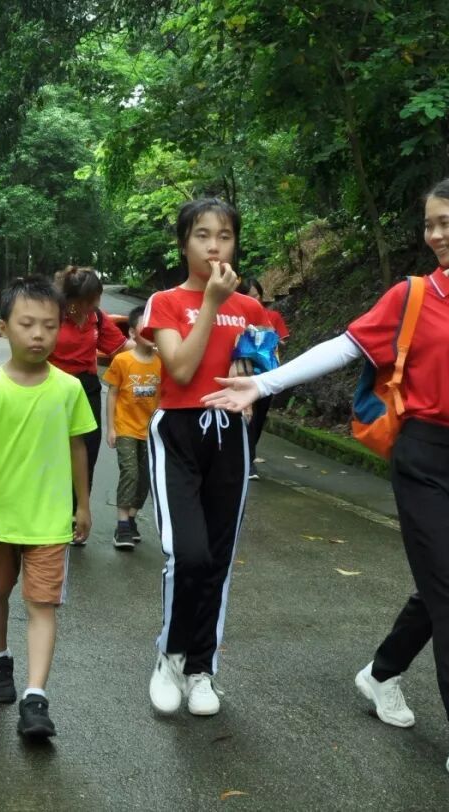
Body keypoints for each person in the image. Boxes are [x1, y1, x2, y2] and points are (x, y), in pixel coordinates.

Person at [204, 176, 449, 799]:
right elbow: (342, 347)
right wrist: (262, 384)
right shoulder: (414, 295)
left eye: (446, 222)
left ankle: (381, 671)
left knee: (444, 586)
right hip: (423, 456)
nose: (434, 235)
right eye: (428, 224)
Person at [139, 198, 269, 717]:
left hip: (230, 436)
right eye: (202, 235)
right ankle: (170, 657)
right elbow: (181, 369)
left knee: (217, 558)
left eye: (225, 236)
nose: (214, 246)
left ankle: (201, 670)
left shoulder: (253, 310)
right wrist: (213, 303)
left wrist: (253, 371)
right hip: (178, 431)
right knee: (188, 553)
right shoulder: (166, 302)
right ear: (183, 244)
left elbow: (265, 371)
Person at [0, 276, 95, 740]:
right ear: (3, 328)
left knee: (42, 604)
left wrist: (83, 505)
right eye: (27, 324)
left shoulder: (69, 388)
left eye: (50, 326)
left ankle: (36, 698)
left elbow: (78, 448)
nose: (39, 335)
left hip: (50, 522)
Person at [49, 265, 130, 545]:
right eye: (89, 300)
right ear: (72, 298)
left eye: (96, 299)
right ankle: (51, 513)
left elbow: (121, 348)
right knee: (54, 451)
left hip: (86, 388)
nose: (94, 304)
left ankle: (76, 514)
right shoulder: (53, 314)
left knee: (87, 452)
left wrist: (155, 350)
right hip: (52, 387)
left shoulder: (96, 318)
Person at [102, 306, 161, 550]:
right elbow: (112, 393)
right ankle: (122, 524)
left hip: (152, 430)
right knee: (130, 472)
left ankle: (132, 517)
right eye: (144, 328)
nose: (150, 333)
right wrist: (111, 427)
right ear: (132, 333)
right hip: (125, 427)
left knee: (146, 476)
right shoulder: (122, 360)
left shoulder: (163, 362)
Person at [235, 277, 289, 479]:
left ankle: (248, 456)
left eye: (256, 296)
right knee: (247, 417)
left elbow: (282, 341)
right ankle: (248, 462)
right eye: (248, 296)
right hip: (244, 373)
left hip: (267, 374)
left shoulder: (272, 316)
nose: (254, 300)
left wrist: (269, 337)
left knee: (259, 418)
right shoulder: (235, 317)